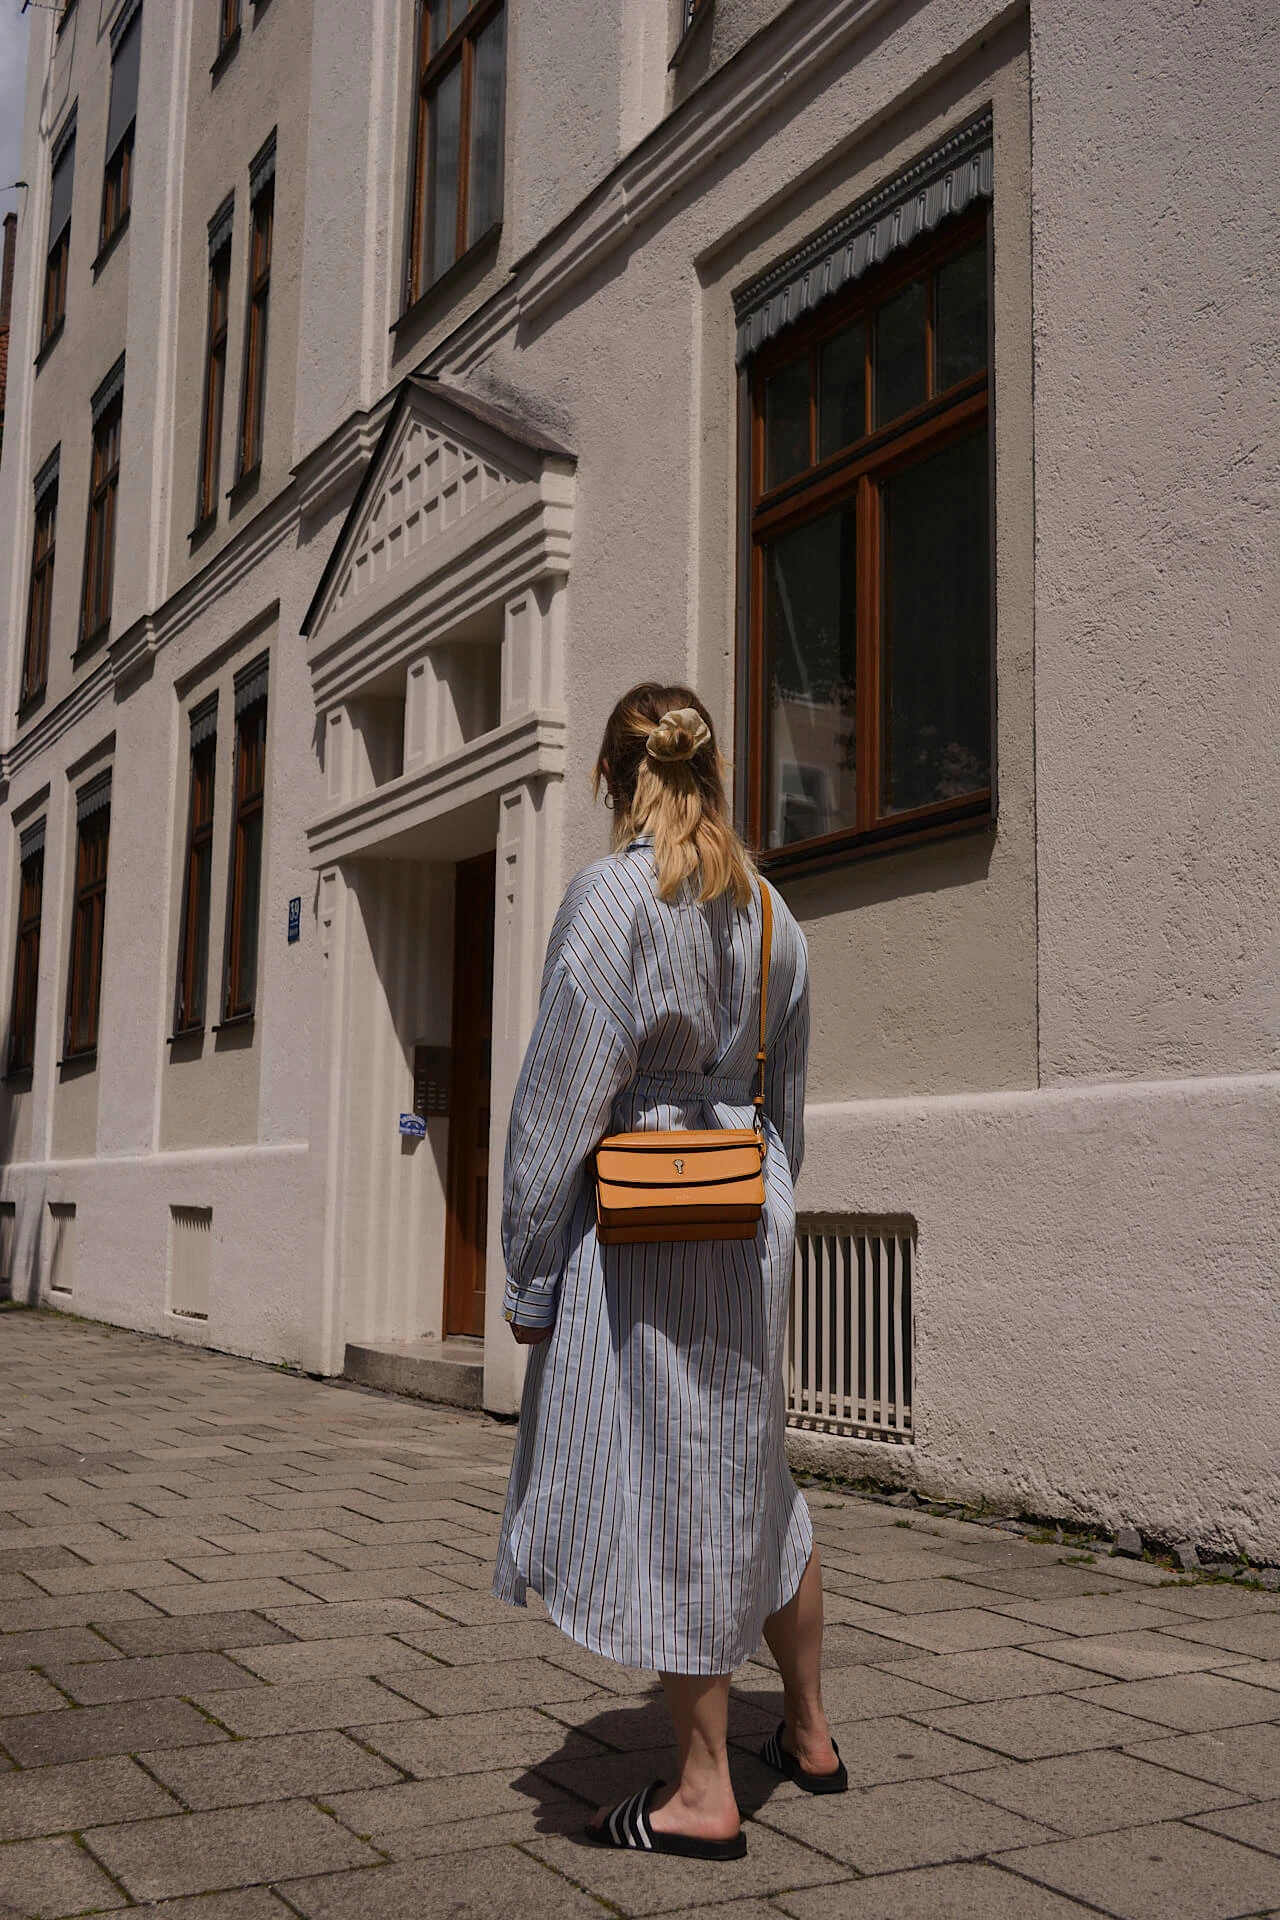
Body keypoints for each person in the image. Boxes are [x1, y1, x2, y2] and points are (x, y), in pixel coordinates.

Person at [493, 683, 846, 1860]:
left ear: (611, 778)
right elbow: (783, 1113)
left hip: (647, 1233)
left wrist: (532, 1276)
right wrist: (761, 1203)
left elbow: (556, 1107)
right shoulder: (774, 916)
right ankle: (804, 1729)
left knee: (678, 1478)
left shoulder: (611, 900)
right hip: (748, 1221)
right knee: (752, 1467)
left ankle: (701, 1789)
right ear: (713, 774)